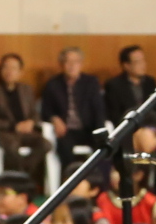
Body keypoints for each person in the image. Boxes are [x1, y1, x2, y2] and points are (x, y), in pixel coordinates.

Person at [0, 52, 49, 189]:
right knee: (12, 145)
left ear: (20, 72)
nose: (9, 72)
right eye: (6, 67)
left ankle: (23, 174)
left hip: (27, 132)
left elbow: (35, 113)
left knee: (45, 144)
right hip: (6, 133)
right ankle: (23, 180)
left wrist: (31, 122)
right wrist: (14, 126)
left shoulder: (26, 90)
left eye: (14, 68)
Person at [43, 46, 108, 183]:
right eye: (68, 62)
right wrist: (54, 118)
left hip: (89, 128)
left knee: (104, 146)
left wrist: (100, 132)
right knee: (64, 146)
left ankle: (100, 184)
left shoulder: (91, 82)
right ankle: (71, 183)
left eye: (76, 62)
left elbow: (99, 109)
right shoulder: (53, 84)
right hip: (67, 131)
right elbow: (45, 110)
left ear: (81, 64)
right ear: (61, 65)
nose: (72, 66)